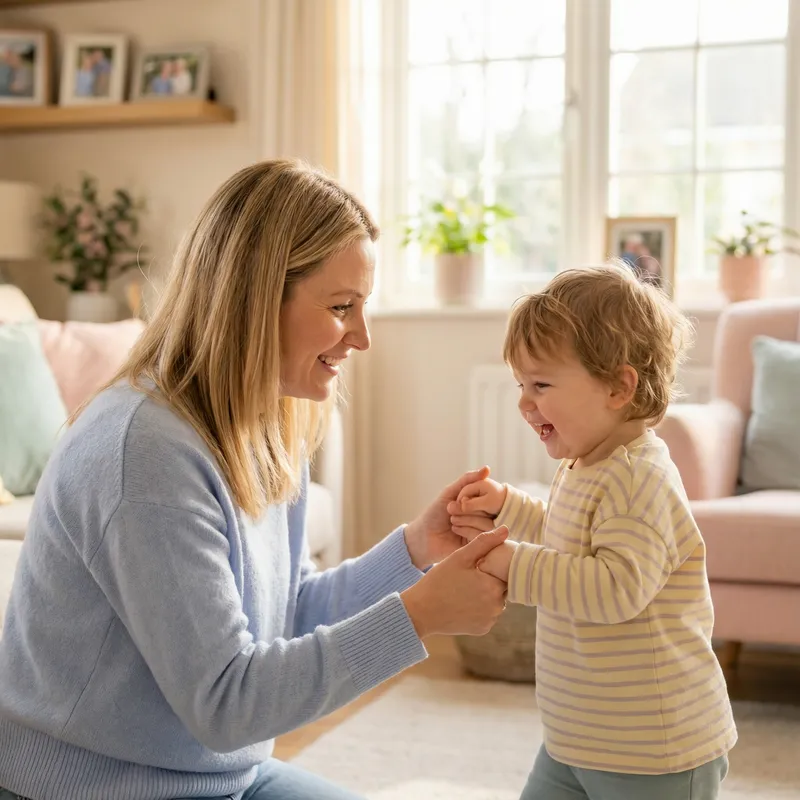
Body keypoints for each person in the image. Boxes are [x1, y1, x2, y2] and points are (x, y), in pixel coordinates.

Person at [0, 159, 510, 800]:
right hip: (93, 789)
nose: (363, 336)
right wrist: (419, 616)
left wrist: (413, 553)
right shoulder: (146, 453)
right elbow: (227, 704)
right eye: (341, 306)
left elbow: (287, 615)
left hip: (217, 776)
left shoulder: (263, 424)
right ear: (255, 300)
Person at [449, 264, 736, 800]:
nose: (523, 402)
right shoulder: (588, 464)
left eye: (541, 384)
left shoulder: (638, 479)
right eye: (520, 384)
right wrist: (508, 507)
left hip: (655, 749)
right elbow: (568, 533)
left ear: (618, 387)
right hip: (579, 739)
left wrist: (510, 562)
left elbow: (613, 589)